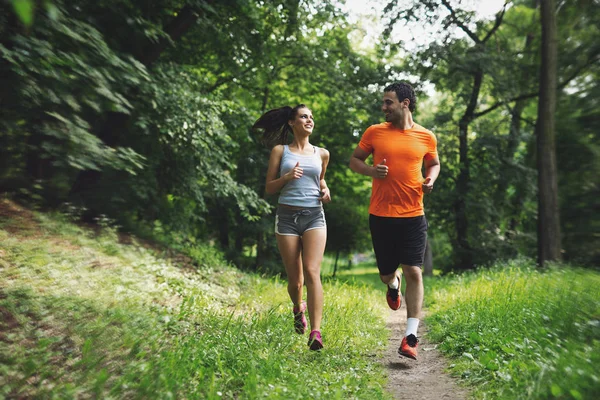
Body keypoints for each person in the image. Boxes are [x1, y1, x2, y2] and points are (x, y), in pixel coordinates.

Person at [349, 82, 440, 360]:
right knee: (387, 273)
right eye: (383, 102)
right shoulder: (374, 132)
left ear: (405, 103)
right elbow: (354, 161)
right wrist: (371, 171)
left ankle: (411, 337)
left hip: (413, 215)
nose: (383, 107)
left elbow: (433, 163)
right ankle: (392, 284)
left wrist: (430, 179)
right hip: (381, 215)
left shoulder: (426, 136)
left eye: (388, 102)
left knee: (415, 270)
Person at [252, 104, 331, 351]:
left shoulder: (322, 153)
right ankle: (298, 309)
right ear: (291, 122)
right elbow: (269, 188)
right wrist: (286, 179)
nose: (309, 120)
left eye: (311, 117)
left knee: (311, 271)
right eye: (303, 116)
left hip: (314, 216)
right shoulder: (280, 151)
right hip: (286, 217)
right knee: (295, 281)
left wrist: (326, 190)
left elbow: (320, 180)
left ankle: (316, 332)